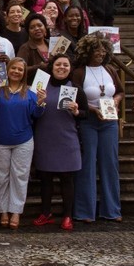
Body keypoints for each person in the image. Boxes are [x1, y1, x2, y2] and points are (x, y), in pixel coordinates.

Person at [71, 34, 124, 223]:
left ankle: (112, 210)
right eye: (96, 50)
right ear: (87, 51)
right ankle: (85, 211)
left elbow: (119, 91)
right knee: (87, 165)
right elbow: (74, 99)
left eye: (103, 50)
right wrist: (93, 109)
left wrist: (116, 102)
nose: (100, 54)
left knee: (110, 164)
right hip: (89, 122)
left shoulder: (110, 69)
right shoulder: (79, 72)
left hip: (109, 122)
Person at [32, 54, 87, 231]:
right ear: (52, 66)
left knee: (67, 179)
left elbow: (85, 114)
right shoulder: (40, 86)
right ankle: (46, 213)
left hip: (67, 139)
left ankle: (67, 216)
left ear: (70, 68)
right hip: (45, 138)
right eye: (58, 64)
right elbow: (30, 111)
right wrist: (38, 102)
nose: (61, 67)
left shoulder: (76, 89)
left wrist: (77, 112)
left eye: (65, 65)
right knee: (46, 179)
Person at [0, 57, 45, 230]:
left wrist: (40, 102)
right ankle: (3, 211)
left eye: (20, 70)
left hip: (23, 140)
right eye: (13, 68)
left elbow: (36, 114)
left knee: (20, 177)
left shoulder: (30, 93)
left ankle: (16, 211)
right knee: (1, 177)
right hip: (0, 140)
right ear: (7, 70)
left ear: (24, 73)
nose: (16, 71)